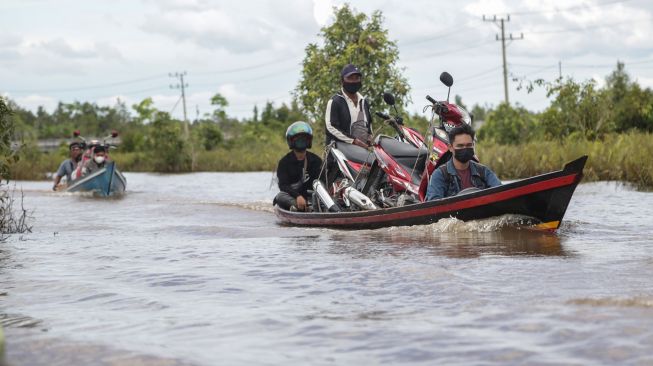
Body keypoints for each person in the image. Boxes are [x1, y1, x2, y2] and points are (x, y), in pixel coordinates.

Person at [426, 124, 501, 200]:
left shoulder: (483, 172)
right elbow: (434, 204)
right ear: (450, 148)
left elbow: (500, 191)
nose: (465, 149)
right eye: (460, 146)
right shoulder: (440, 175)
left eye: (469, 145)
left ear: (473, 145)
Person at [273, 121, 323, 212]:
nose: (301, 140)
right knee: (280, 196)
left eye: (304, 137)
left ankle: (308, 207)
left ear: (309, 140)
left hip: (311, 197)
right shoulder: (284, 162)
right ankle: (299, 207)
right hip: (292, 197)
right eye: (297, 138)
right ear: (291, 141)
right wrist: (298, 196)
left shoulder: (316, 161)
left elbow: (321, 182)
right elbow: (283, 186)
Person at [324, 63, 373, 148]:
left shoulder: (364, 102)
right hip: (339, 155)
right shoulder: (335, 101)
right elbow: (330, 128)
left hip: (361, 155)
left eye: (357, 78)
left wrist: (370, 137)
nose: (354, 81)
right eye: (350, 78)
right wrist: (353, 140)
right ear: (342, 80)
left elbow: (368, 126)